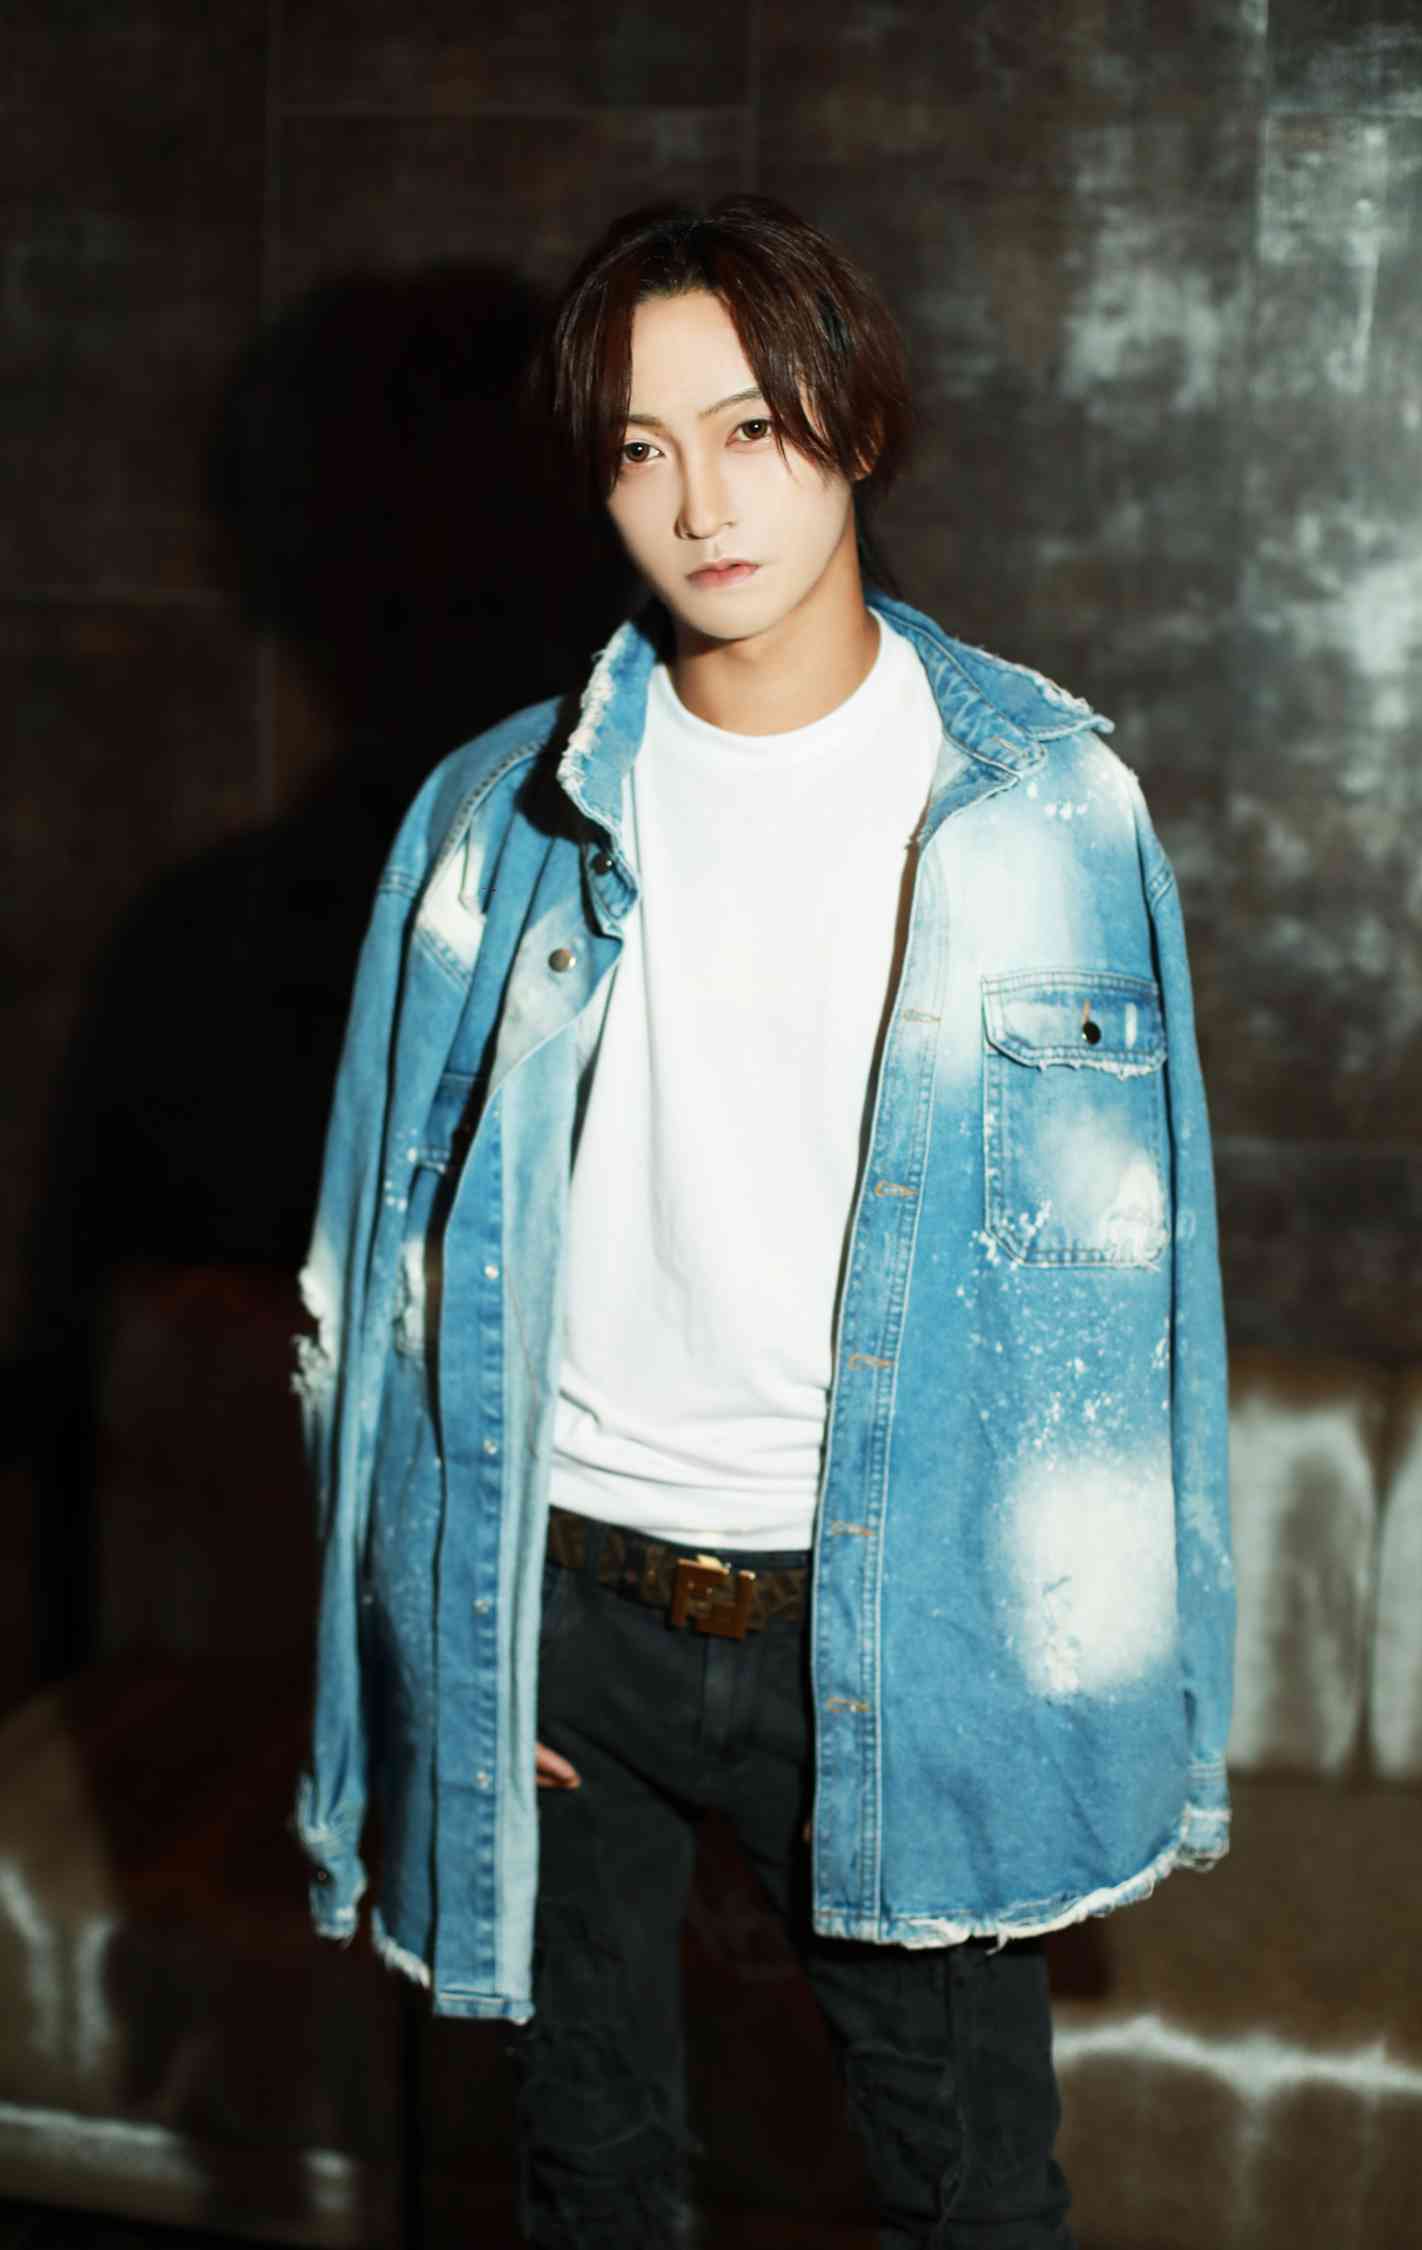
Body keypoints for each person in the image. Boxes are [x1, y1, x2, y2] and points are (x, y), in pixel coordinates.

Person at [290, 193, 1235, 2250]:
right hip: (572, 1601)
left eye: (752, 428)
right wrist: (454, 1625)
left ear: (855, 427)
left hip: (896, 1618)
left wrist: (1075, 1677)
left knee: (975, 2193)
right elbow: (378, 1286)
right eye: (642, 447)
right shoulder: (492, 819)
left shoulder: (1042, 802)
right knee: (585, 2180)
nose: (702, 501)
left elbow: (1133, 1316)